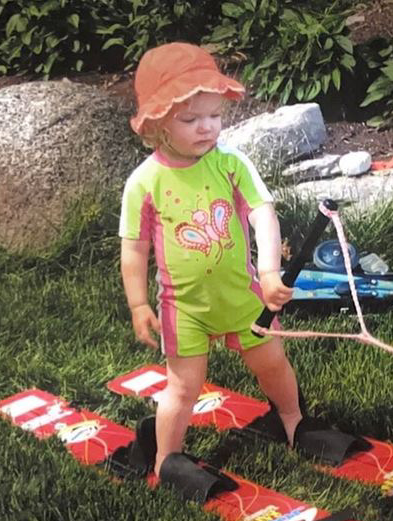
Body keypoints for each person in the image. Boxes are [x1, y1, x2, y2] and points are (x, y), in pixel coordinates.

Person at [119, 42, 302, 479]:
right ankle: (167, 459)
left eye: (215, 115)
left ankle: (293, 418)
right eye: (191, 119)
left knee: (272, 361)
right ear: (158, 123)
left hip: (242, 295)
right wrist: (138, 304)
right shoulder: (144, 182)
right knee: (183, 387)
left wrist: (270, 271)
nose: (207, 128)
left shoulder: (231, 163)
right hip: (184, 309)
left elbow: (262, 213)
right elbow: (134, 248)